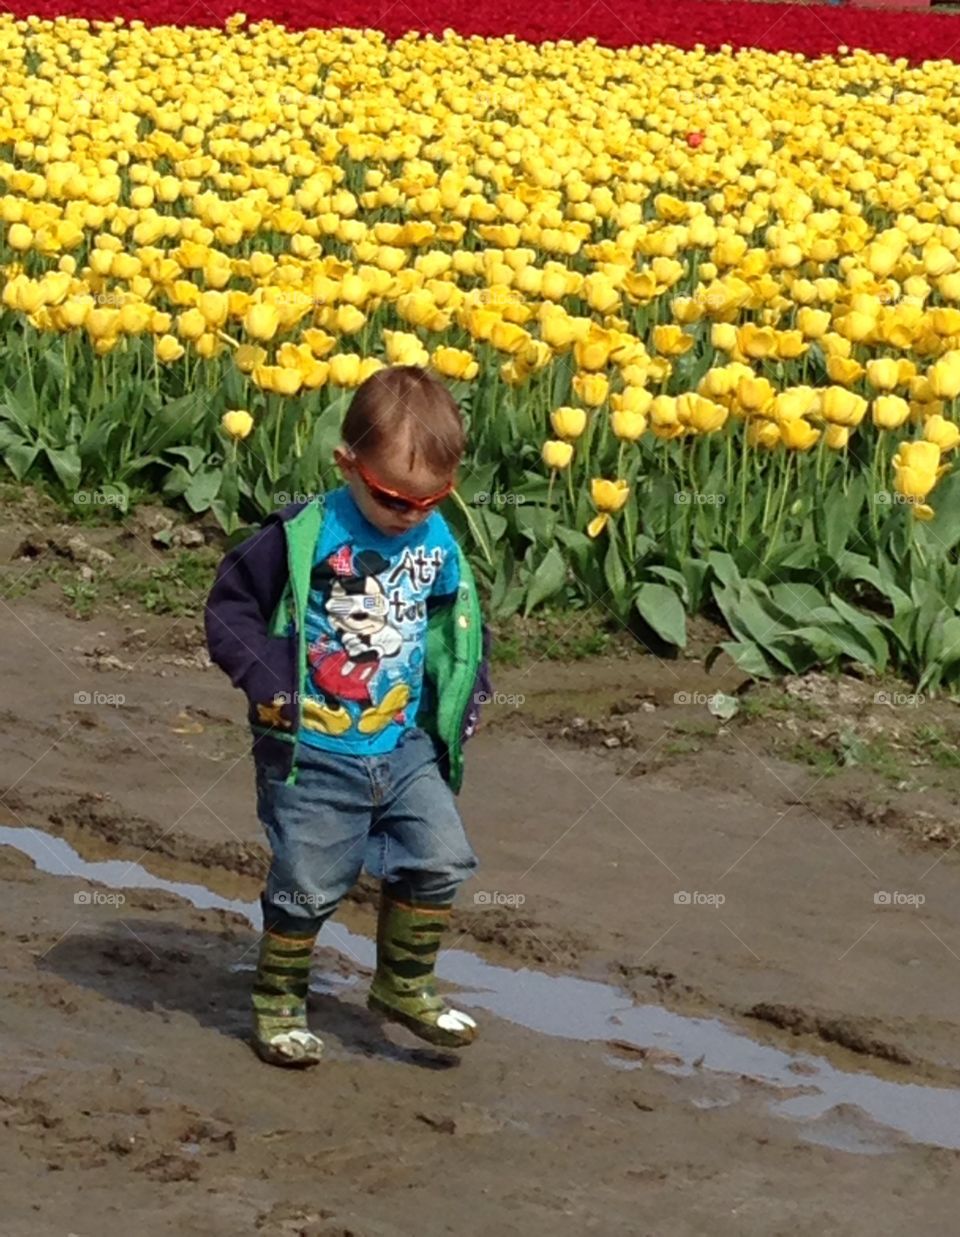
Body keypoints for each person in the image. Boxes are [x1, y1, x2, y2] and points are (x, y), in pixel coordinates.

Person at [205, 365, 491, 1067]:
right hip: (313, 746)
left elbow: (456, 624)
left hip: (401, 745)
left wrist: (465, 690)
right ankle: (278, 1001)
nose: (413, 512)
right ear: (347, 463)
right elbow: (229, 608)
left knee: (441, 854)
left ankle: (403, 984)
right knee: (308, 879)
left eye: (433, 498)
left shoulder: (436, 541)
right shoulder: (302, 534)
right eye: (394, 496)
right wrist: (268, 678)